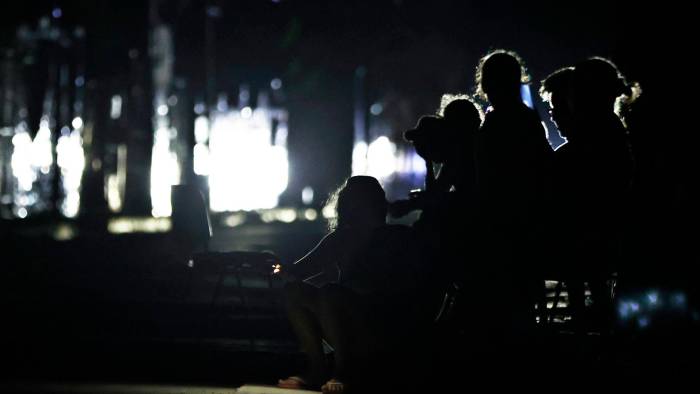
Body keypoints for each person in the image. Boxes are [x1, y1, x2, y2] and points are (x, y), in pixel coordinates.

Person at [275, 176, 425, 393]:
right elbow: (298, 272)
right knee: (294, 291)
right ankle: (317, 368)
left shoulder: (397, 238)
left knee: (331, 293)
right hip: (343, 323)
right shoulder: (340, 238)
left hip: (380, 324)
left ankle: (344, 370)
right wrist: (273, 266)